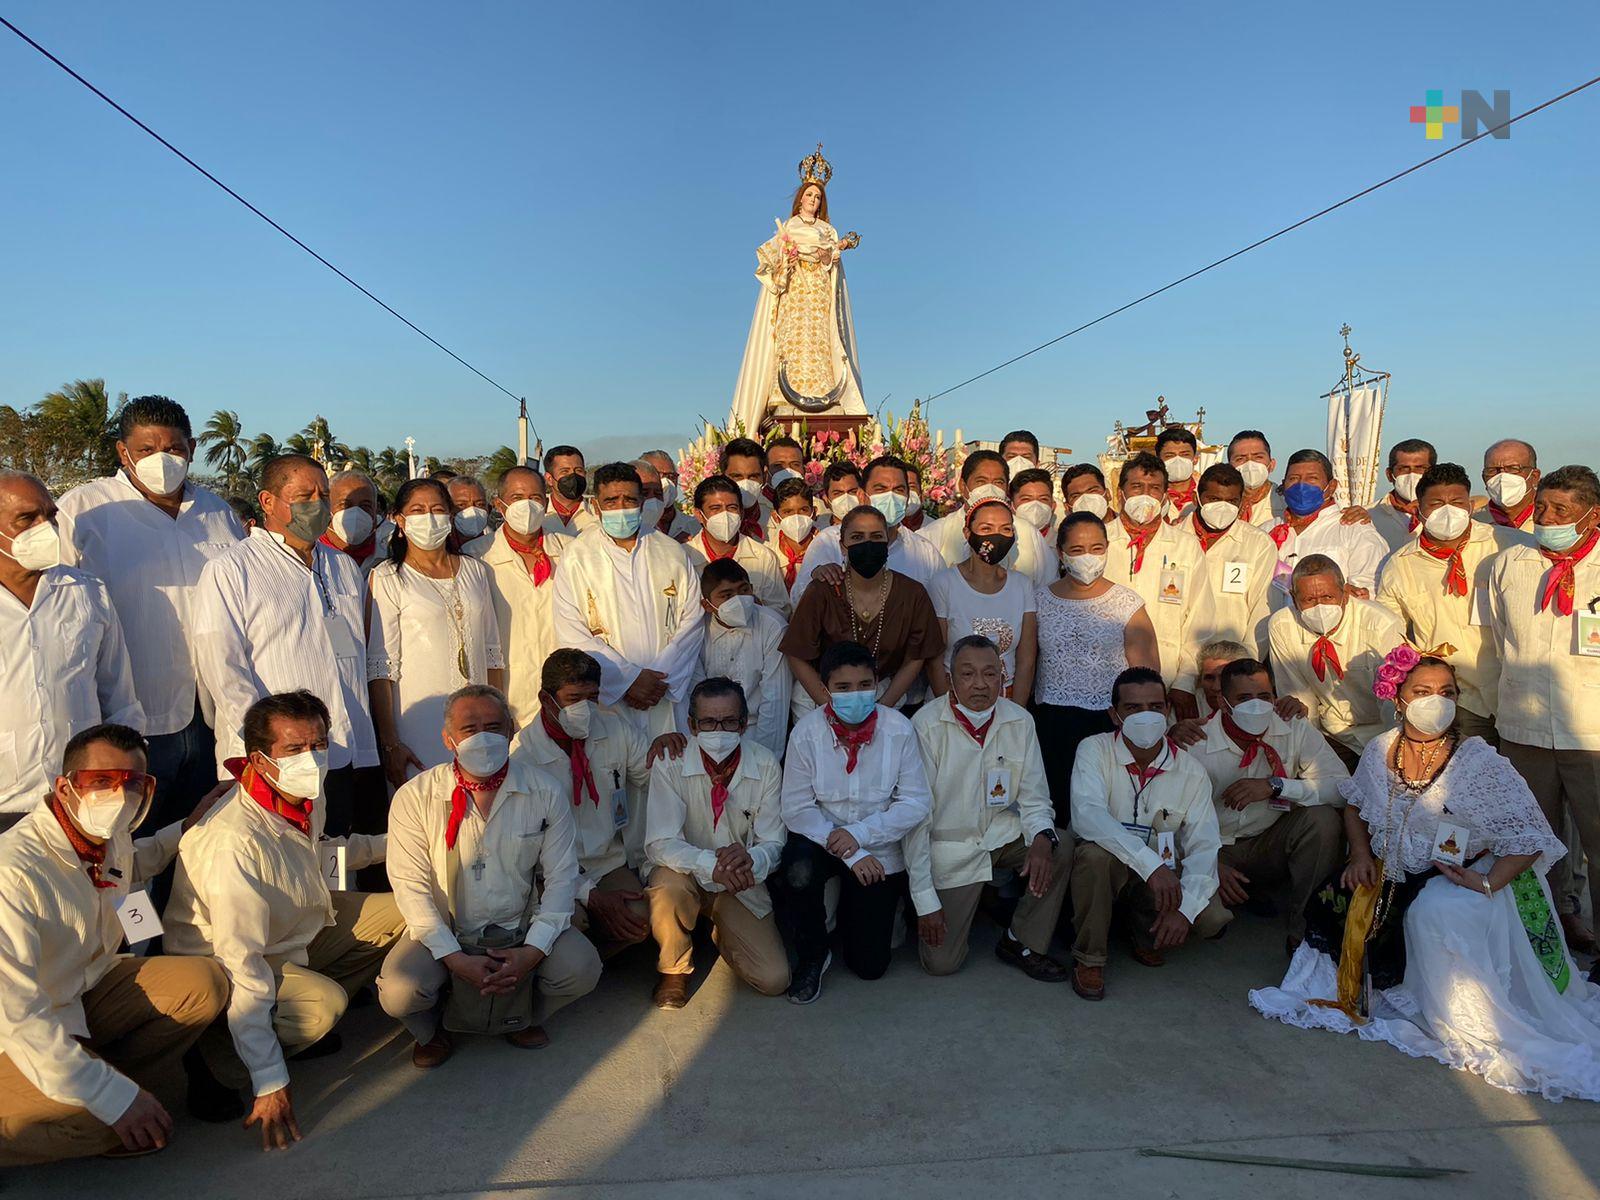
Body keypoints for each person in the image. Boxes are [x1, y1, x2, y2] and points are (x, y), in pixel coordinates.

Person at [1250, 654, 1600, 1102]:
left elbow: (1530, 836)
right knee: (1336, 898)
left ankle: (1458, 1015)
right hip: (1394, 869)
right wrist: (1359, 854)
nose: (1437, 702)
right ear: (1398, 700)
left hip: (1470, 872)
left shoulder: (1479, 761)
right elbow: (1355, 804)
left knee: (1436, 911)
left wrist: (1489, 881)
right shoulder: (1381, 749)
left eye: (1447, 693)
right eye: (1422, 692)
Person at [167, 691, 404, 1148]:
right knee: (324, 1005)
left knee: (401, 912)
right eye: (294, 749)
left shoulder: (299, 797)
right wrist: (270, 1079)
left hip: (295, 930)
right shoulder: (233, 839)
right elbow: (239, 960)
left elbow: (325, 855)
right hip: (231, 961)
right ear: (258, 759)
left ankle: (285, 1016)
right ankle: (219, 1056)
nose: (311, 759)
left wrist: (400, 840)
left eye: (318, 745)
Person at [0, 724, 228, 1165]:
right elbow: (17, 1013)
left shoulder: (109, 836)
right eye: (101, 782)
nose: (119, 796)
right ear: (65, 787)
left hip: (82, 996)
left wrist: (186, 827)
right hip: (14, 1032)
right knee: (101, 1121)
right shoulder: (13, 872)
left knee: (203, 983)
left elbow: (133, 873)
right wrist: (110, 1095)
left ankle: (98, 1083)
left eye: (133, 783)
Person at [379, 685, 601, 1066]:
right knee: (400, 991)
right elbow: (410, 888)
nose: (483, 737)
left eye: (494, 726)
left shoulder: (544, 791)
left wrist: (532, 952)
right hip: (445, 928)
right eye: (469, 729)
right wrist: (453, 958)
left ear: (512, 730)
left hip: (520, 921)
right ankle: (434, 1031)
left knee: (581, 969)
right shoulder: (414, 797)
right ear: (448, 739)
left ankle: (521, 1016)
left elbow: (562, 877)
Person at [55, 396, 243, 840]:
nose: (163, 459)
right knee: (131, 848)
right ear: (124, 453)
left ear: (193, 448)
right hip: (129, 717)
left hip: (211, 715)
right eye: (146, 450)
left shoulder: (220, 515)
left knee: (203, 840)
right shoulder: (85, 511)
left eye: (174, 449)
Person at [193, 454, 380, 837]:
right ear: (267, 501)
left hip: (338, 748)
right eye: (303, 496)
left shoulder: (341, 565)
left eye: (323, 495)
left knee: (334, 860)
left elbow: (354, 656)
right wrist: (266, 743)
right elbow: (222, 668)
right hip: (276, 758)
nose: (317, 505)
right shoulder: (232, 569)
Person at [773, 642, 932, 1002]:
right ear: (826, 690)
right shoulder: (807, 734)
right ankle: (813, 954)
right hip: (820, 840)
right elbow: (797, 808)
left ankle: (861, 912)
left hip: (877, 844)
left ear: (878, 683)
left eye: (864, 685)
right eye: (843, 688)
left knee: (870, 967)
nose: (855, 695)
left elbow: (915, 802)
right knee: (797, 871)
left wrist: (858, 837)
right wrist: (849, 851)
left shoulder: (899, 730)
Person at [908, 637, 1071, 978]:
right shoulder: (925, 726)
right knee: (941, 964)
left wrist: (1042, 836)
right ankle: (937, 907)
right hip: (951, 849)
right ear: (950, 678)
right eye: (967, 674)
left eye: (990, 674)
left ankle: (1020, 938)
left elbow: (1035, 796)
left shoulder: (1019, 720)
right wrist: (924, 901)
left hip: (1001, 835)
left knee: (1060, 844)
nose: (980, 684)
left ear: (1003, 676)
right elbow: (915, 819)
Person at [1488, 464, 1600, 953]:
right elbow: (1499, 640)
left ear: (1592, 516)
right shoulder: (1512, 564)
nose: (1547, 517)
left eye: (1562, 510)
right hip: (1524, 729)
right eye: (1542, 507)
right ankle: (1545, 936)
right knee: (1534, 843)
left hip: (1591, 733)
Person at [1066, 668, 1225, 1001]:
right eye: (1133, 708)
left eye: (1154, 707)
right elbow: (1088, 816)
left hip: (1157, 877)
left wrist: (1186, 910)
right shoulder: (1093, 750)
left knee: (1209, 916)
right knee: (1095, 856)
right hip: (1106, 871)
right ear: (1114, 714)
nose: (1146, 717)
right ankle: (1090, 957)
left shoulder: (1191, 771)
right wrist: (1150, 865)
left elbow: (1204, 845)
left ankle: (1143, 931)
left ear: (1167, 710)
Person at [0, 473, 144, 829]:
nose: (45, 528)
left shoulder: (87, 592)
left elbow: (119, 696)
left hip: (81, 802)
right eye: (27, 519)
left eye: (50, 516)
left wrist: (121, 780)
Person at [644, 677, 790, 1007]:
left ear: (743, 723)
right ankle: (674, 970)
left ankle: (722, 930)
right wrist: (712, 865)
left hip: (740, 882)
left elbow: (774, 842)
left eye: (728, 721)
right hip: (686, 874)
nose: (719, 730)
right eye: (709, 721)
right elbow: (659, 842)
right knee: (668, 886)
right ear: (693, 725)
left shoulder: (765, 763)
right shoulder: (671, 761)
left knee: (774, 979)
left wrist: (752, 860)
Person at [1187, 658, 1349, 951]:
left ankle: (1305, 929)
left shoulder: (1293, 727)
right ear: (1224, 704)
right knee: (1209, 921)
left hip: (1269, 842)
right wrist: (1210, 862)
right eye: (1244, 698)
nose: (1257, 706)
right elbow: (1171, 822)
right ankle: (1225, 894)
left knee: (1322, 820)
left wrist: (1276, 786)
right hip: (1215, 849)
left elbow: (1342, 788)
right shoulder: (1197, 744)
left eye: (1264, 696)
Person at [512, 649, 657, 962]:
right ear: (545, 699)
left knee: (641, 919)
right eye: (573, 698)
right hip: (552, 871)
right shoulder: (523, 756)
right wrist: (590, 896)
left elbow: (654, 777)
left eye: (592, 698)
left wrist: (668, 749)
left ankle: (592, 962)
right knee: (570, 922)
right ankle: (577, 966)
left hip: (607, 862)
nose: (585, 709)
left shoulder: (615, 729)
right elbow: (529, 850)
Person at [551, 462, 704, 738]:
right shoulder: (577, 557)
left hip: (663, 693)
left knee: (667, 768)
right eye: (611, 500)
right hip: (609, 698)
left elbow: (692, 621)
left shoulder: (671, 552)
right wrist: (628, 680)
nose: (621, 507)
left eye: (630, 499)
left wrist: (658, 679)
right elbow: (572, 632)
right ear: (597, 506)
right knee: (614, 769)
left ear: (642, 501)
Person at [367, 478, 505, 782]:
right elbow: (380, 667)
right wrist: (390, 743)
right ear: (400, 521)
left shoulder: (475, 571)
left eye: (437, 509)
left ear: (450, 517)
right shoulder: (389, 577)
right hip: (418, 723)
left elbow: (492, 654)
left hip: (478, 724)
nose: (429, 518)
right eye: (417, 510)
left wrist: (499, 720)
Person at [1376, 462, 1524, 744]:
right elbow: (1391, 635)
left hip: (1514, 688)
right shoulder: (1401, 565)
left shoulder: (1508, 545)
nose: (1448, 510)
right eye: (1436, 503)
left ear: (1469, 505)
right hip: (1457, 698)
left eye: (1457, 502)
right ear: (1419, 507)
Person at [1033, 512, 1160, 826]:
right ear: (1060, 553)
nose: (1087, 557)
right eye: (1077, 550)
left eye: (1096, 548)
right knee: (1057, 809)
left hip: (1108, 723)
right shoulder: (1039, 601)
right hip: (1052, 724)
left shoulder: (1126, 603)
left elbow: (1145, 674)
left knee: (1107, 810)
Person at [727, 155, 866, 432]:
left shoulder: (828, 230)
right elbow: (772, 256)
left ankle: (823, 391)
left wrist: (829, 257)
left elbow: (833, 264)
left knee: (819, 337)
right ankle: (784, 391)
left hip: (818, 290)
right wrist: (785, 259)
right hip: (794, 289)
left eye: (817, 196)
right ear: (800, 198)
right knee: (793, 336)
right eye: (810, 195)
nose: (813, 199)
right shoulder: (790, 226)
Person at [782, 505, 943, 716]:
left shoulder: (912, 593)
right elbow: (796, 653)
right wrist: (828, 706)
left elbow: (916, 656)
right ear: (843, 546)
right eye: (857, 537)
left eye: (876, 537)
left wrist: (884, 709)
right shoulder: (823, 590)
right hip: (822, 701)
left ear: (888, 543)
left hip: (885, 700)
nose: (868, 544)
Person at [1267, 555, 1407, 769]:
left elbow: (1393, 703)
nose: (1319, 607)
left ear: (1345, 594)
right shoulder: (1282, 625)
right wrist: (1312, 759)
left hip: (1381, 732)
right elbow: (1299, 698)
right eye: (1308, 600)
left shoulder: (1382, 624)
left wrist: (1393, 757)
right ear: (1294, 599)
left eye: (1328, 597)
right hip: (1330, 734)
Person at [1104, 452, 1214, 712]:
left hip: (1168, 681)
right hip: (1107, 680)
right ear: (1121, 493)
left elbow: (1201, 618)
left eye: (1154, 489)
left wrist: (1185, 683)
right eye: (1137, 487)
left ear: (1164, 496)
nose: (1145, 495)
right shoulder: (1101, 542)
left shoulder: (1185, 546)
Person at [925, 498, 1038, 705]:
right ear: (967, 533)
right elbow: (934, 659)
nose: (996, 536)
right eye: (986, 528)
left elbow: (1026, 660)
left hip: (1005, 702)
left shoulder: (1022, 585)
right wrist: (950, 711)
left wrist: (1017, 713)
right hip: (952, 701)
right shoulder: (944, 583)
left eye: (1006, 529)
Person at [482, 465, 569, 727]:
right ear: (500, 505)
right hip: (509, 697)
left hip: (565, 696)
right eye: (517, 499)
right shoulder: (479, 557)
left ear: (546, 502)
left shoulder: (571, 551)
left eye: (535, 498)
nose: (527, 506)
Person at [791, 456, 945, 595]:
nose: (890, 497)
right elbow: (799, 600)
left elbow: (942, 608)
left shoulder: (926, 553)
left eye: (899, 490)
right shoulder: (828, 543)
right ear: (861, 495)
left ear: (906, 497)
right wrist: (816, 579)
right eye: (881, 489)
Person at [695, 559, 791, 758]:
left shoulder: (772, 626)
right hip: (708, 734)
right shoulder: (697, 632)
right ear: (708, 605)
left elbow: (775, 700)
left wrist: (764, 760)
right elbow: (694, 692)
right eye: (727, 595)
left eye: (743, 590)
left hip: (757, 730)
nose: (739, 600)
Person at [1267, 449, 1390, 598]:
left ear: (1331, 486)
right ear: (1284, 484)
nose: (1301, 485)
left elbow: (1369, 590)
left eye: (1312, 478)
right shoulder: (1265, 531)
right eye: (1293, 478)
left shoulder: (1354, 530)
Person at [1186, 463, 1277, 658]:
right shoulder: (1175, 540)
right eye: (1213, 499)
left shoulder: (1258, 544)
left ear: (1242, 503)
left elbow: (1262, 609)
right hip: (1177, 661)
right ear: (1197, 499)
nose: (1222, 507)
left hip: (1232, 661)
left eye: (1231, 501)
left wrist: (1246, 662)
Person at [683, 473, 791, 615]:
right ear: (698, 514)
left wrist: (755, 608)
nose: (725, 515)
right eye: (715, 508)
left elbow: (781, 611)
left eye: (732, 507)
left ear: (741, 512)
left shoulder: (763, 557)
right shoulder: (683, 557)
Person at [921, 449, 1010, 566]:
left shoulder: (1027, 535)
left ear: (1007, 488)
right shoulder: (932, 535)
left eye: (998, 482)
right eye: (981, 481)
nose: (990, 489)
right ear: (962, 486)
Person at [1367, 438, 1438, 552]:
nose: (1412, 475)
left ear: (1433, 472)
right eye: (1403, 469)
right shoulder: (1367, 516)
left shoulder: (1449, 515)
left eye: (1420, 468)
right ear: (1390, 475)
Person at [321, 469, 384, 572]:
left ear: (375, 511)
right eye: (345, 505)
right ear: (327, 507)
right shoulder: (311, 558)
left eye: (365, 506)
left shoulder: (387, 558)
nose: (356, 513)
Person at [1476, 438, 1540, 533]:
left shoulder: (1553, 519)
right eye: (1492, 470)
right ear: (1484, 479)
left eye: (1513, 468)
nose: (1502, 477)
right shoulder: (1473, 524)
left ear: (1534, 476)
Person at [767, 476, 818, 592]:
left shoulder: (827, 552)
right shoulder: (767, 555)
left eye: (803, 510)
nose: (796, 517)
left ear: (814, 513)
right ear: (776, 517)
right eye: (788, 512)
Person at [1227, 429, 1283, 530]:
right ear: (1229, 467)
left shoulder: (1285, 501)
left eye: (1258, 457)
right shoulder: (1220, 502)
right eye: (1240, 459)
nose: (1250, 464)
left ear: (1272, 464)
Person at [638, 449, 699, 541]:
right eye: (657, 474)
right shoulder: (632, 526)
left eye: (671, 476)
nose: (666, 482)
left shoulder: (693, 526)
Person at [720, 437, 775, 538]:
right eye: (737, 476)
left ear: (765, 477)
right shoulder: (703, 524)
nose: (745, 483)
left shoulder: (778, 521)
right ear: (723, 477)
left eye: (753, 476)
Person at [542, 444, 595, 537]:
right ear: (549, 478)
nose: (573, 476)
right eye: (565, 471)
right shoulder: (537, 516)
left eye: (578, 470)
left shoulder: (597, 515)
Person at [1009, 466, 1059, 561]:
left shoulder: (1064, 544)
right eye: (1026, 499)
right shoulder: (1004, 543)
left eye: (1043, 499)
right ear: (1012, 506)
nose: (1035, 505)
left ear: (1053, 506)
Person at [1154, 426, 1201, 520]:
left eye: (1185, 455)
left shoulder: (1207, 491)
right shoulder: (1149, 493)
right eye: (1169, 455)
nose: (1178, 460)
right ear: (1158, 460)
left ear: (1195, 458)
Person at [446, 475, 494, 558]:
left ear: (488, 509)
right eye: (461, 505)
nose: (472, 510)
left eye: (480, 504)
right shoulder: (442, 549)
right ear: (448, 509)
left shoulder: (496, 543)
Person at [903, 462, 928, 532]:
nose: (907, 493)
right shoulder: (885, 529)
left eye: (911, 487)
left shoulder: (937, 528)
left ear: (921, 494)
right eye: (901, 488)